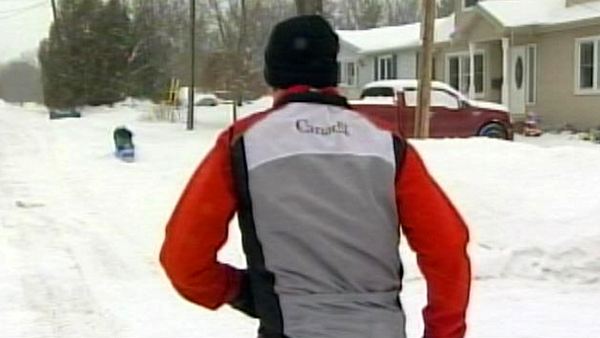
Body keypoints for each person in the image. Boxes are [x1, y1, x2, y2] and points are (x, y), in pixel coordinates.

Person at [160, 15, 471, 338]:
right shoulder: (386, 144)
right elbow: (447, 248)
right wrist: (443, 332)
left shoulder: (242, 144)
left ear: (271, 74)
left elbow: (184, 261)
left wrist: (239, 290)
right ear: (333, 72)